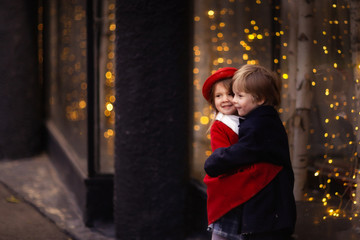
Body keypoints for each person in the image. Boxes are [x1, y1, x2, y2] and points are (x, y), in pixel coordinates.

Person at [204, 64, 296, 240]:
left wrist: (214, 162)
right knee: (224, 233)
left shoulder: (256, 122)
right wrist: (215, 162)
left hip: (257, 194)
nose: (230, 100)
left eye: (235, 95)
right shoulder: (226, 124)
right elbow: (225, 155)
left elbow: (244, 150)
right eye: (218, 96)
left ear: (258, 99)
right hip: (238, 190)